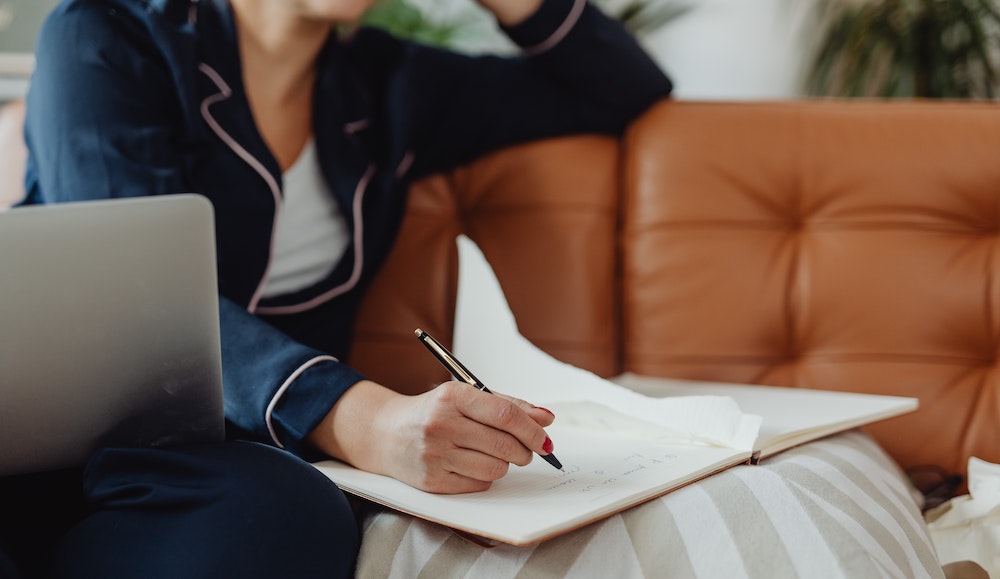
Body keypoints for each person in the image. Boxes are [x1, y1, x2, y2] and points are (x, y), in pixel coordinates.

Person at [9, 0, 673, 575]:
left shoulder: (389, 85)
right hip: (57, 446)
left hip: (213, 474)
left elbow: (621, 84)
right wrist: (363, 418)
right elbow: (135, 294)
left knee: (285, 514)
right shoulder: (106, 34)